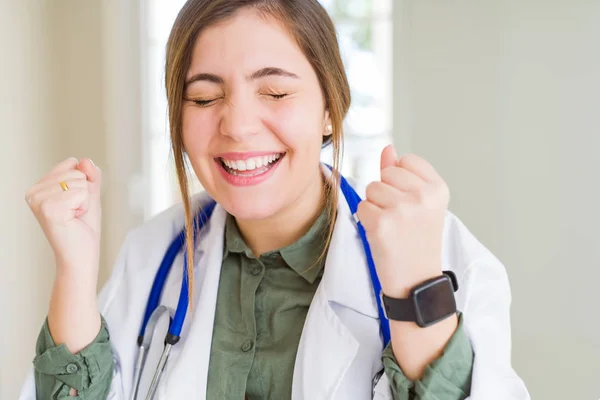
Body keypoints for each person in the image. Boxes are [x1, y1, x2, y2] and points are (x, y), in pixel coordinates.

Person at [19, 1, 530, 399]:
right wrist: (74, 268)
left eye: (276, 93)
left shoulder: (441, 254)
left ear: (331, 108)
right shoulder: (152, 254)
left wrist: (414, 288)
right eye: (203, 97)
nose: (237, 125)